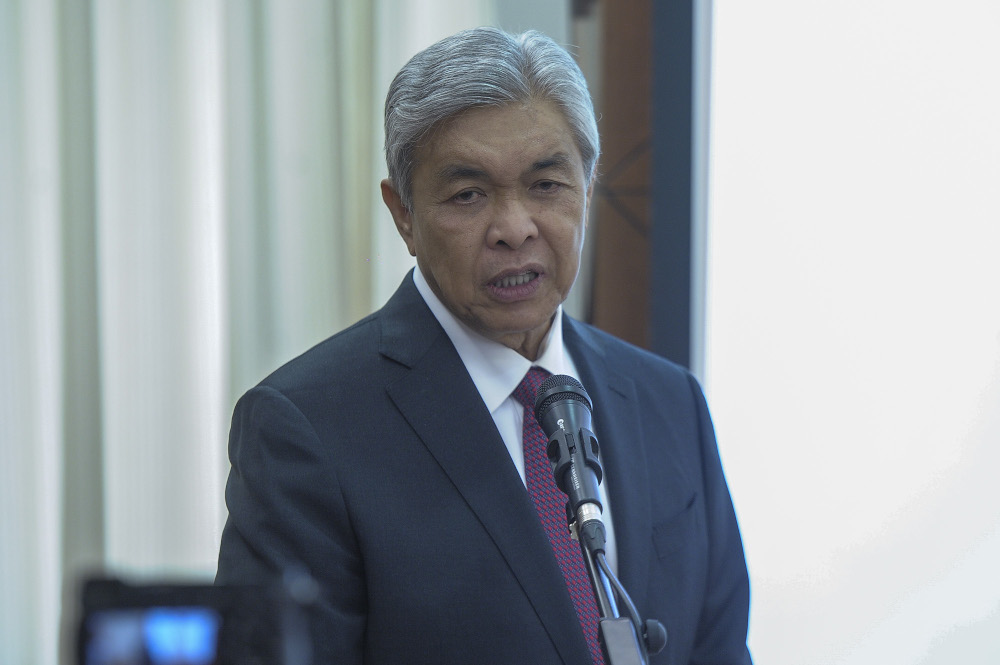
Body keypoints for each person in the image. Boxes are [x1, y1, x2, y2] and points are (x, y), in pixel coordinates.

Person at [217, 26, 751, 665]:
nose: (514, 229)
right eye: (469, 195)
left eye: (546, 185)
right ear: (404, 215)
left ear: (588, 184)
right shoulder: (306, 428)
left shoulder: (670, 401)